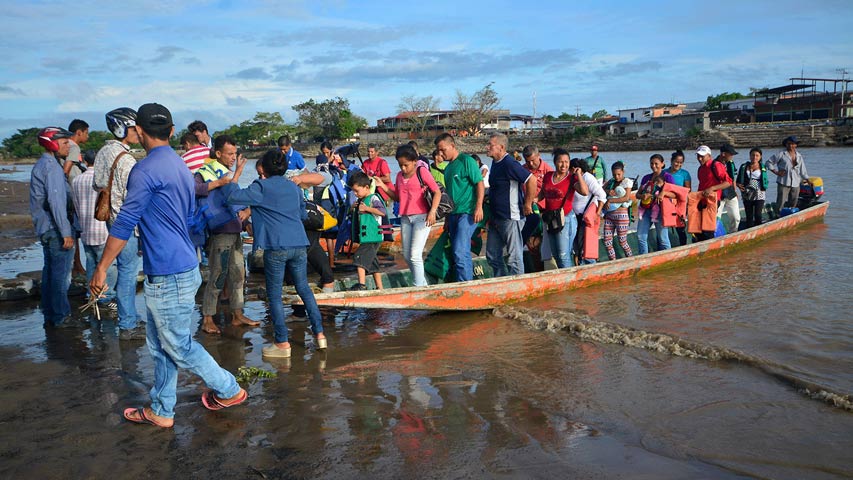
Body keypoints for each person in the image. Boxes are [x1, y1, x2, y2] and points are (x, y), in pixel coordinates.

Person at [90, 103, 247, 428]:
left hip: (168, 271)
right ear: (173, 132)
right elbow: (190, 213)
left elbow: (125, 222)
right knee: (159, 343)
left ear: (140, 132)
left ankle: (229, 388)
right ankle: (161, 409)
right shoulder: (179, 166)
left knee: (178, 344)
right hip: (185, 262)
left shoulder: (145, 170)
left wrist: (102, 266)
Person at [227, 150, 327, 358]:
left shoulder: (260, 187)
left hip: (277, 246)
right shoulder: (293, 186)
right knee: (304, 289)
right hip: (299, 243)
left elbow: (232, 196)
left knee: (274, 295)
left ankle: (282, 343)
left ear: (263, 168)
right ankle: (320, 335)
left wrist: (236, 174)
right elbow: (301, 214)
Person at [194, 135, 258, 335]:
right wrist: (220, 183)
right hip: (220, 231)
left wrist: (246, 222)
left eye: (235, 153)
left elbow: (236, 200)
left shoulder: (227, 173)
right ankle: (207, 318)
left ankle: (237, 314)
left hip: (234, 229)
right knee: (218, 275)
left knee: (238, 274)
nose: (233, 157)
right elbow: (194, 189)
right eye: (229, 154)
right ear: (218, 153)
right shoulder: (205, 172)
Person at [93, 107, 145, 340]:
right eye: (134, 128)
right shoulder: (127, 159)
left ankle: (128, 318)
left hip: (110, 220)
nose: (137, 132)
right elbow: (134, 195)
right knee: (128, 273)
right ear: (122, 128)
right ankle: (128, 323)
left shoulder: (104, 151)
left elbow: (98, 184)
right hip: (126, 223)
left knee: (123, 270)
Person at [373, 144, 441, 287]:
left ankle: (418, 286)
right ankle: (423, 283)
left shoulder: (422, 172)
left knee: (415, 255)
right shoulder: (399, 176)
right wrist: (383, 186)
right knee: (406, 255)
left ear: (414, 161)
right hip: (405, 217)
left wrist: (433, 211)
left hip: (422, 217)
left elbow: (437, 192)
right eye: (400, 165)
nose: (403, 168)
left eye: (406, 165)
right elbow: (397, 197)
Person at [30, 127, 76, 327]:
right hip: (55, 229)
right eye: (65, 143)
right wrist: (66, 233)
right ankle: (61, 316)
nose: (68, 146)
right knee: (59, 275)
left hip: (45, 227)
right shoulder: (52, 167)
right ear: (52, 143)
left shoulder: (43, 164)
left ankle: (49, 313)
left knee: (49, 272)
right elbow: (56, 202)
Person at [434, 133, 484, 281]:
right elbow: (449, 196)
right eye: (438, 150)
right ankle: (462, 281)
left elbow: (479, 183)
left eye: (443, 149)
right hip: (453, 215)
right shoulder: (448, 168)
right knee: (458, 251)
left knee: (460, 251)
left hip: (467, 213)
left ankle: (465, 284)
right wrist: (447, 219)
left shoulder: (466, 161)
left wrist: (479, 207)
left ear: (452, 146)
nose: (441, 153)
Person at [485, 133, 536, 277]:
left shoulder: (509, 163)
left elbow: (531, 180)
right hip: (496, 218)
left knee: (514, 257)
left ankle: (519, 284)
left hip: (511, 217)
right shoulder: (495, 163)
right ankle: (502, 279)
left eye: (490, 145)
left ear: (501, 147)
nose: (487, 147)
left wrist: (528, 204)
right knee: (492, 254)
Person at [71, 149, 116, 306]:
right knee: (107, 267)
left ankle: (92, 296)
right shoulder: (101, 181)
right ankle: (106, 299)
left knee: (91, 263)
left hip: (86, 229)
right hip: (102, 230)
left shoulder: (76, 181)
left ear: (85, 161)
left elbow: (75, 206)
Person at [538, 148, 588, 268]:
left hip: (565, 219)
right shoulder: (548, 176)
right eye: (561, 161)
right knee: (555, 254)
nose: (564, 165)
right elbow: (543, 193)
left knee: (563, 254)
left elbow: (585, 191)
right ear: (555, 162)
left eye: (566, 161)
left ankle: (569, 281)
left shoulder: (571, 179)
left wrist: (579, 175)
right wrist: (532, 201)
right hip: (550, 218)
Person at [347, 171, 386, 290]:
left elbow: (382, 212)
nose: (355, 193)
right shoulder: (360, 201)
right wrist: (352, 208)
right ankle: (380, 287)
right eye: (353, 191)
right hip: (367, 237)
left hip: (373, 236)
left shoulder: (373, 198)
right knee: (373, 262)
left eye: (356, 191)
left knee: (359, 257)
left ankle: (362, 285)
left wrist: (367, 208)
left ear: (366, 187)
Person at [636, 154, 676, 254]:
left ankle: (668, 258)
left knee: (663, 238)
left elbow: (675, 194)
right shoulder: (646, 178)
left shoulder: (667, 177)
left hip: (661, 211)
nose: (654, 166)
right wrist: (642, 196)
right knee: (641, 236)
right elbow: (637, 194)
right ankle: (643, 259)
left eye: (656, 164)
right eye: (652, 163)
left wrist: (664, 193)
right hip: (645, 210)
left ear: (662, 164)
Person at [570, 158, 607, 264]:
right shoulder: (573, 179)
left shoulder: (587, 177)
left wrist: (598, 212)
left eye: (570, 170)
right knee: (577, 245)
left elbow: (602, 195)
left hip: (585, 217)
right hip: (575, 216)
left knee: (585, 245)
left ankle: (589, 265)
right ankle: (579, 264)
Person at [694, 145, 732, 241]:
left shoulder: (716, 165)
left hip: (712, 201)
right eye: (698, 156)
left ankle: (709, 246)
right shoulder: (700, 169)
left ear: (709, 156)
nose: (699, 158)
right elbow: (701, 185)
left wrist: (712, 188)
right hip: (702, 201)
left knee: (708, 229)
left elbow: (728, 182)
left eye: (702, 156)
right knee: (699, 229)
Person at [521, 145, 554, 247]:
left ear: (539, 155)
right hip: (527, 210)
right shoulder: (522, 169)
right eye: (527, 161)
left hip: (543, 212)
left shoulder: (548, 171)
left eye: (533, 160)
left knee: (541, 244)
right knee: (530, 243)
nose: (530, 164)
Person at [602, 161, 634, 260]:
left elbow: (626, 198)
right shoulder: (611, 182)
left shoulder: (627, 182)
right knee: (607, 241)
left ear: (623, 172)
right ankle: (613, 262)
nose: (616, 177)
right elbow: (601, 189)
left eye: (619, 174)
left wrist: (610, 200)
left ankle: (631, 260)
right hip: (609, 216)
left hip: (621, 216)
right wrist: (608, 191)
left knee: (622, 241)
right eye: (614, 174)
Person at [767, 136, 809, 211]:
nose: (791, 146)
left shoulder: (799, 156)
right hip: (783, 182)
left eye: (793, 144)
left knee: (793, 202)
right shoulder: (781, 154)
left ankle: (790, 215)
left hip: (796, 182)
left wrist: (807, 179)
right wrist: (776, 172)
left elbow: (803, 170)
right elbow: (769, 162)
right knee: (780, 203)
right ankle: (778, 216)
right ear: (786, 144)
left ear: (796, 145)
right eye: (789, 144)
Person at [736, 147, 769, 229]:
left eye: (757, 155)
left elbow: (765, 180)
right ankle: (749, 231)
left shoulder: (763, 167)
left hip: (759, 193)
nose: (754, 157)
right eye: (752, 155)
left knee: (758, 215)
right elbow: (738, 181)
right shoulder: (744, 166)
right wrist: (739, 185)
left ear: (760, 157)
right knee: (749, 215)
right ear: (750, 156)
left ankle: (759, 231)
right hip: (747, 193)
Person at [666, 150, 692, 246]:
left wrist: (687, 207)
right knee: (664, 226)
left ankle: (683, 246)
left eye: (681, 163)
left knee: (680, 228)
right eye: (676, 162)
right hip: (667, 204)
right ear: (671, 161)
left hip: (680, 205)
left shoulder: (685, 174)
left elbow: (688, 191)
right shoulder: (664, 173)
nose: (678, 164)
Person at [715, 144, 741, 234]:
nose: (732, 156)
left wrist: (735, 190)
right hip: (719, 194)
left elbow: (732, 178)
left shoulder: (731, 163)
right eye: (730, 154)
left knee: (736, 217)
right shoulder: (715, 164)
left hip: (730, 192)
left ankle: (733, 233)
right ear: (723, 154)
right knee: (716, 217)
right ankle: (717, 235)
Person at [63, 119, 89, 185]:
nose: (87, 136)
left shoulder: (66, 144)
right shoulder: (74, 147)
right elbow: (66, 169)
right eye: (86, 133)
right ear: (79, 132)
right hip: (71, 186)